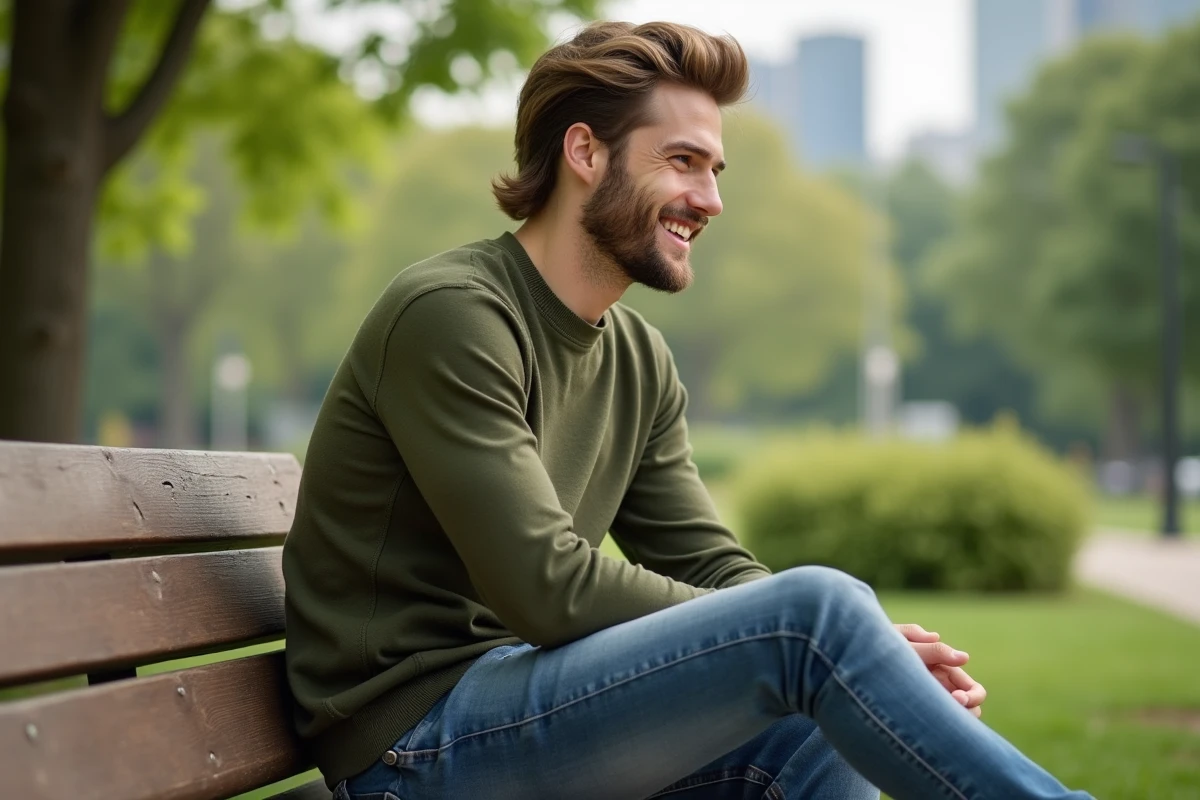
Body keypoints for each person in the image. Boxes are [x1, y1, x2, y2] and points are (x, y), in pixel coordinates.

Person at [282, 20, 1094, 800]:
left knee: (822, 713)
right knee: (817, 615)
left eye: (715, 170)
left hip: (524, 712)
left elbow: (712, 565)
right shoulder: (453, 313)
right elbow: (547, 588)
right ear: (585, 152)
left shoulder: (638, 358)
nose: (709, 199)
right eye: (682, 162)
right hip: (411, 750)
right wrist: (806, 634)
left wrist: (852, 658)